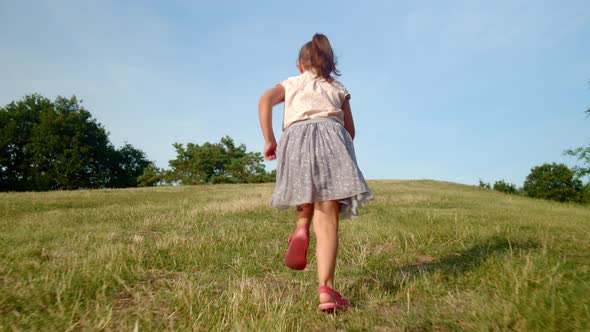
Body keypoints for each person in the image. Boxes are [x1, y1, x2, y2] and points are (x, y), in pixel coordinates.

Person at [258, 33, 374, 312]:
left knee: (304, 189)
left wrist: (270, 139)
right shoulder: (338, 88)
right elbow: (351, 131)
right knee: (327, 220)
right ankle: (326, 289)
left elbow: (264, 100)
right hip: (332, 136)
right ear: (329, 64)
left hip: (295, 138)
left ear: (301, 64)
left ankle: (300, 229)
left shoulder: (292, 83)